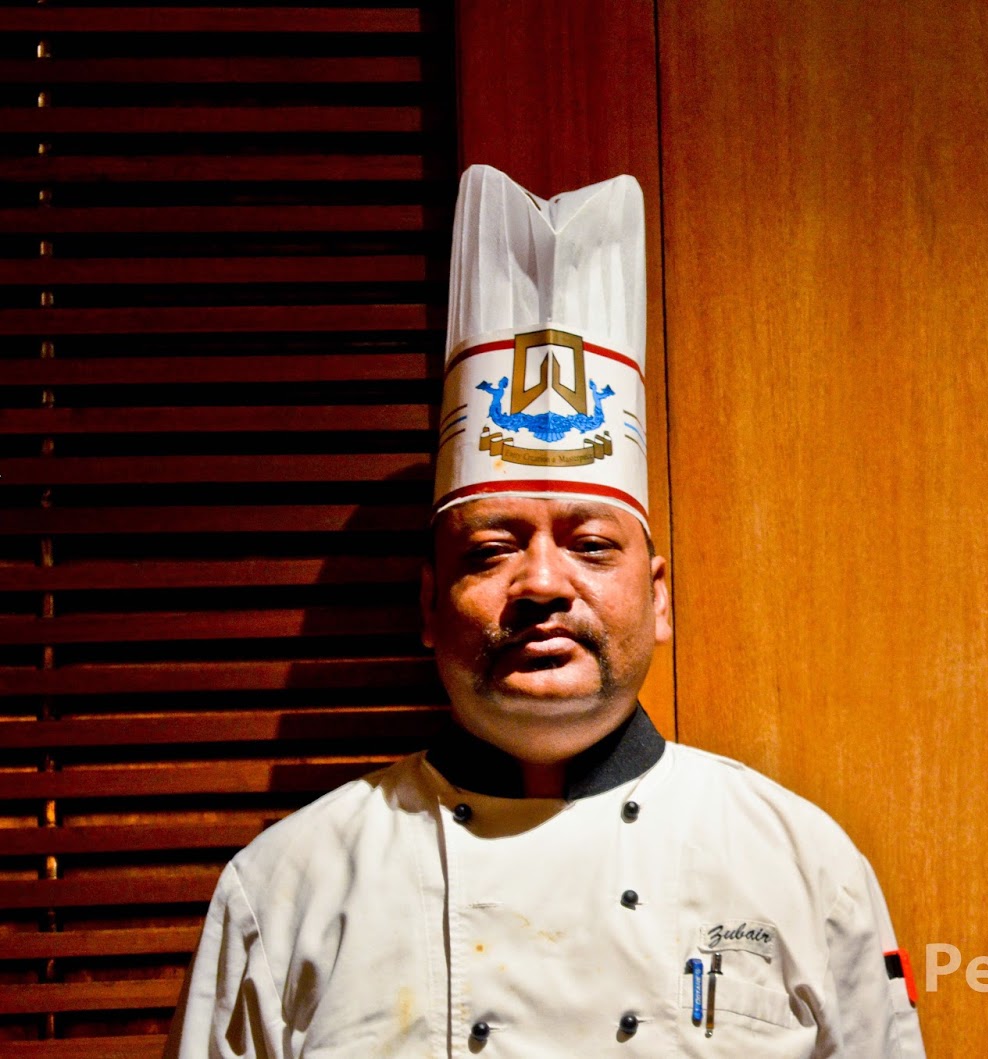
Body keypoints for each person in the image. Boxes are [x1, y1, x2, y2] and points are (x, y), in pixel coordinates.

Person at [165, 166, 926, 1057]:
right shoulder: (285, 892)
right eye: (491, 550)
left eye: (591, 544)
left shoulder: (802, 864)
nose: (540, 583)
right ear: (428, 603)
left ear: (659, 596)